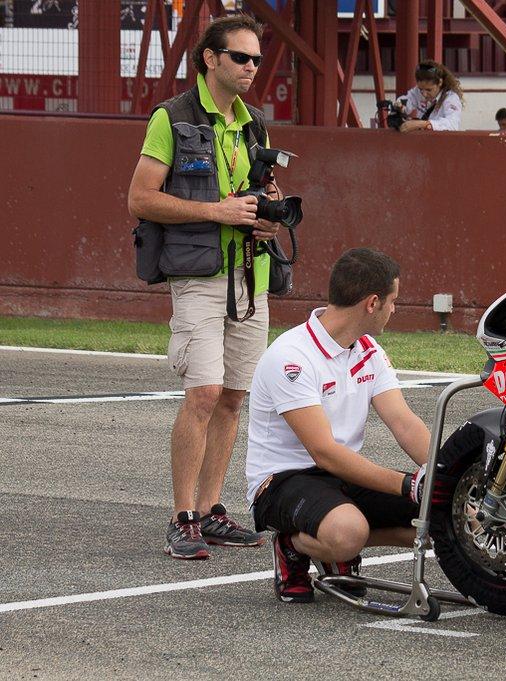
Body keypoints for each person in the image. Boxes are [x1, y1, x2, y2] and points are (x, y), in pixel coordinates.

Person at [127, 15, 280, 559]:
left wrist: (266, 218)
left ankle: (213, 511)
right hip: (197, 275)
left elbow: (262, 191)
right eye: (241, 58)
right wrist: (215, 211)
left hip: (250, 274)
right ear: (210, 59)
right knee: (204, 394)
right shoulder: (171, 117)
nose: (251, 68)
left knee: (235, 398)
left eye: (256, 59)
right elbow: (140, 199)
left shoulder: (255, 123)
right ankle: (182, 516)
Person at [245, 248, 433, 603]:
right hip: (283, 480)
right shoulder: (292, 356)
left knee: (443, 515)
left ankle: (335, 547)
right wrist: (408, 485)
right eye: (394, 300)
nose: (395, 309)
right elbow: (324, 452)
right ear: (372, 303)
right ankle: (294, 545)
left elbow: (404, 423)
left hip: (341, 478)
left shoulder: (369, 350)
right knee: (348, 532)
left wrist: (445, 476)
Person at [394, 60, 463, 132]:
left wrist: (422, 124)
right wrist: (400, 105)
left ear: (440, 82)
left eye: (429, 90)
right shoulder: (418, 91)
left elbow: (452, 124)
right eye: (421, 89)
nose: (424, 94)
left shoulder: (451, 98)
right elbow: (408, 100)